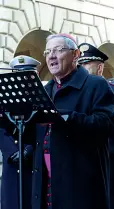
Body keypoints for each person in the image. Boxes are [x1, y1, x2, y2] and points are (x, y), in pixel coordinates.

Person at [29, 34, 114, 209]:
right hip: (45, 183)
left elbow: (106, 125)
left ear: (75, 55)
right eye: (48, 52)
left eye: (58, 50)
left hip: (78, 185)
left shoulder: (95, 85)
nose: (51, 56)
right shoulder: (44, 91)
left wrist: (66, 117)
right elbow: (32, 136)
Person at [77, 42, 114, 209]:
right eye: (80, 64)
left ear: (100, 68)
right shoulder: (76, 92)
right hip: (84, 162)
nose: (82, 67)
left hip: (111, 163)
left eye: (87, 64)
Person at [0, 55, 40, 209]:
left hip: (32, 160)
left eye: (27, 75)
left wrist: (27, 150)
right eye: (18, 74)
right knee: (11, 201)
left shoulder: (40, 98)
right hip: (12, 161)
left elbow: (42, 128)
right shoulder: (5, 98)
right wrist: (11, 151)